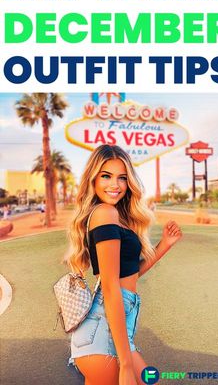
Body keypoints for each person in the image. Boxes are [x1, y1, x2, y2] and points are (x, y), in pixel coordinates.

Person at [64, 144, 182, 385]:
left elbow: (129, 274)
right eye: (106, 176)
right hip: (104, 331)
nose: (114, 185)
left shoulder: (116, 216)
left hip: (113, 329)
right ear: (93, 179)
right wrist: (126, 364)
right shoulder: (104, 213)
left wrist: (165, 245)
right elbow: (110, 288)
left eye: (122, 178)